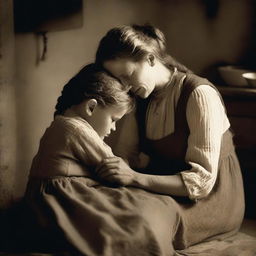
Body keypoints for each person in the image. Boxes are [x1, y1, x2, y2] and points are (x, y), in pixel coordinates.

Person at [94, 24, 246, 253]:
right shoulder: (141, 96)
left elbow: (201, 182)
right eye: (119, 80)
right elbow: (128, 158)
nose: (125, 87)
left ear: (151, 59)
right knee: (104, 209)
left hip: (210, 200)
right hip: (163, 189)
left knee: (136, 226)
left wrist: (134, 178)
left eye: (128, 76)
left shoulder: (198, 94)